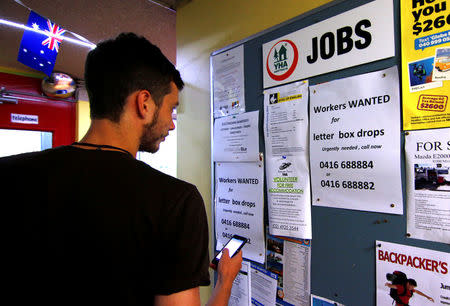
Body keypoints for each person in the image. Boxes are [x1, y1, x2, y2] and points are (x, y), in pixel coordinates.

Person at [0, 32, 242, 305]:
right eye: (171, 109)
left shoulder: (8, 175)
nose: (172, 124)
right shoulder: (176, 201)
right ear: (145, 103)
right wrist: (224, 283)